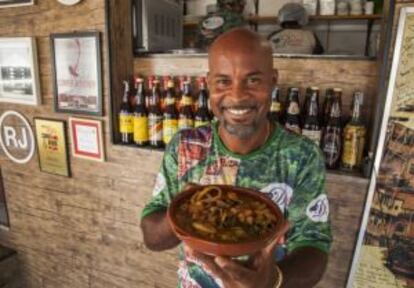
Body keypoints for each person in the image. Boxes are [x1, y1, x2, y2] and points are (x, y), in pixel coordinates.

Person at [141, 28, 332, 288]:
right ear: (208, 83)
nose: (238, 95)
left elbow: (314, 247)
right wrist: (186, 208)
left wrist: (272, 280)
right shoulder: (185, 147)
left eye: (253, 80)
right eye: (223, 81)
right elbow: (152, 239)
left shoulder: (301, 156)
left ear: (273, 81)